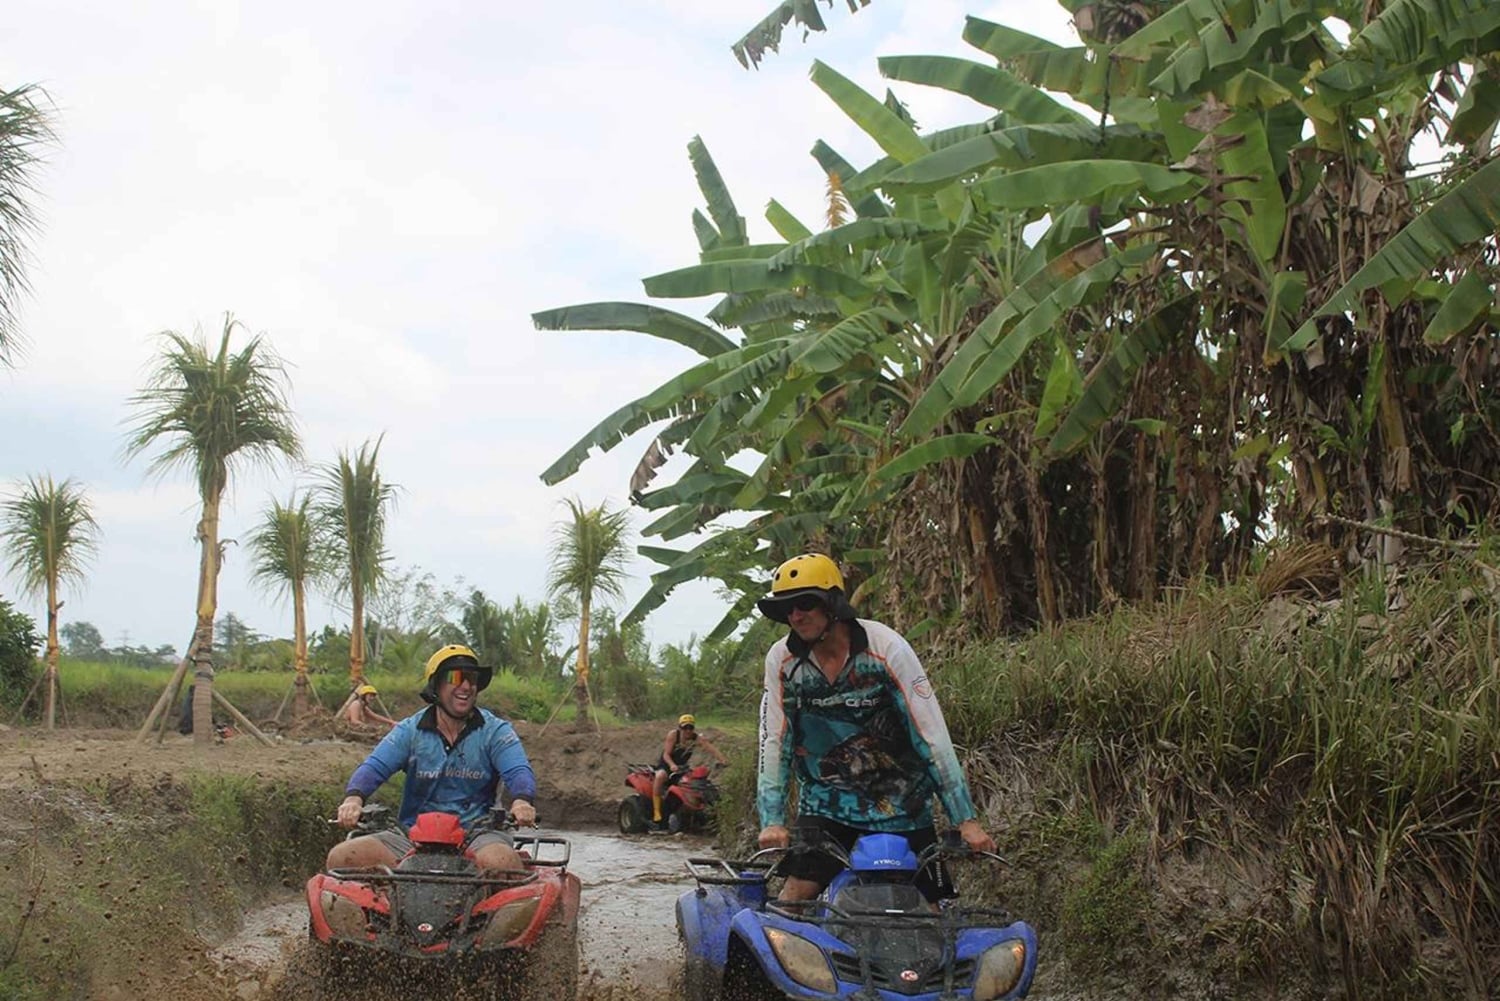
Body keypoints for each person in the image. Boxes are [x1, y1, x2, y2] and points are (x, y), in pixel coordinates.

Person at [754, 553, 996, 903]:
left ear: (833, 604)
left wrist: (965, 820)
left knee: (932, 913)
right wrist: (772, 819)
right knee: (793, 899)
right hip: (827, 804)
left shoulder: (886, 649)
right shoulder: (783, 661)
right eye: (786, 608)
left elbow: (931, 737)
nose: (795, 616)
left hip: (903, 805)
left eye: (805, 603)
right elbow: (775, 741)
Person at [327, 643, 538, 873]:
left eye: (472, 678)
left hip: (479, 836)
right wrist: (353, 799)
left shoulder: (496, 731)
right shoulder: (410, 730)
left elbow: (518, 770)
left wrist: (521, 801)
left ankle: (491, 906)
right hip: (411, 836)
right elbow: (375, 767)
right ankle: (385, 904)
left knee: (502, 863)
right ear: (436, 684)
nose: (465, 686)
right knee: (342, 857)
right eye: (455, 677)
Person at [652, 713, 727, 827]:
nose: (687, 731)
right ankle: (656, 811)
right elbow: (666, 754)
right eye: (684, 727)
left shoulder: (696, 738)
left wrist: (723, 759)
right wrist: (672, 765)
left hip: (682, 767)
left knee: (693, 785)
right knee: (660, 776)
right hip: (667, 765)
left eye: (690, 727)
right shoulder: (673, 735)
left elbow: (711, 748)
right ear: (680, 727)